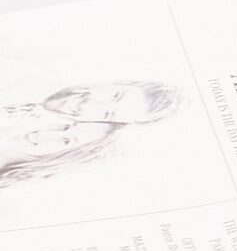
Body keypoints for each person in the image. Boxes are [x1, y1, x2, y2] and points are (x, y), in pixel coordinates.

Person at [0, 79, 177, 190]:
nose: (87, 106)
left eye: (107, 114)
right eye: (115, 95)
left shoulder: (24, 146)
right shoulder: (20, 79)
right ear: (113, 82)